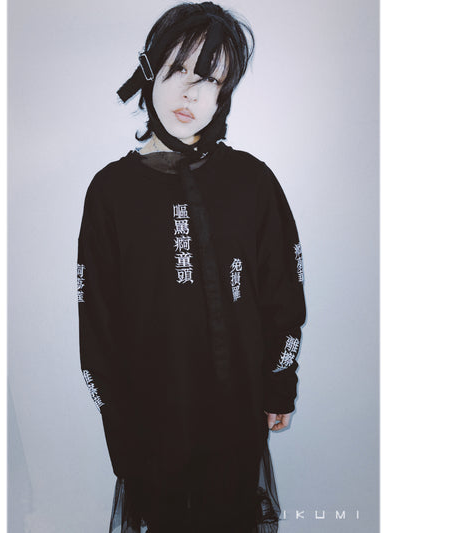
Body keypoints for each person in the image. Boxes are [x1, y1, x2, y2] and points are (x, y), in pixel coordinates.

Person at [77, 2, 306, 532]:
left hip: (235, 412)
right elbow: (97, 319)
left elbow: (283, 289)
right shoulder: (111, 192)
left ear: (224, 94)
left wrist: (280, 382)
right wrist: (117, 418)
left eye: (211, 80)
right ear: (149, 70)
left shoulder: (252, 182)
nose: (190, 93)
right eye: (178, 69)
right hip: (150, 418)